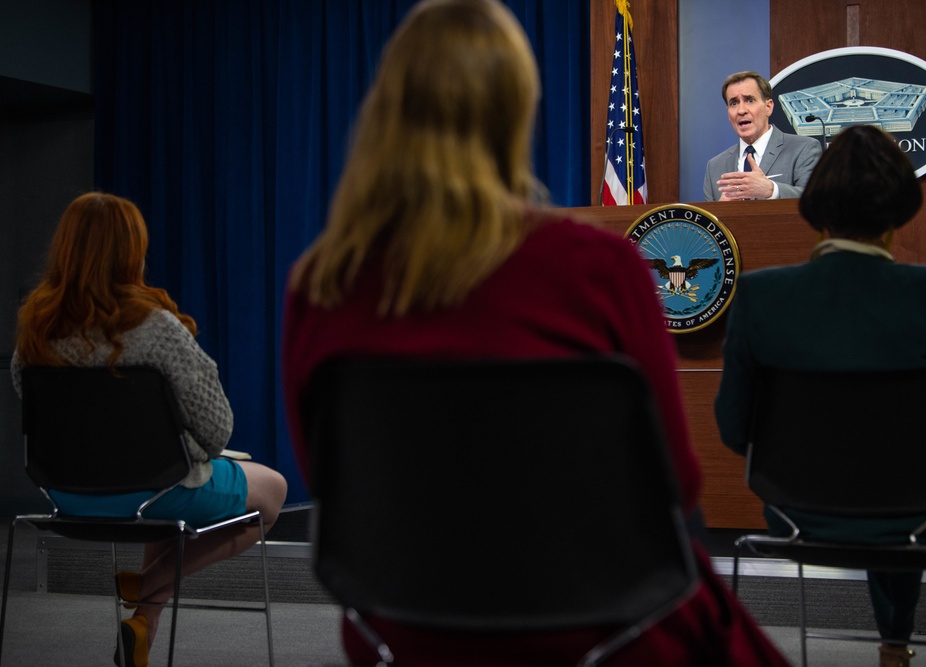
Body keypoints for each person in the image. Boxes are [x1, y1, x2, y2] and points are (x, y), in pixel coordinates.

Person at [281, 1, 789, 665]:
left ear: (386, 111)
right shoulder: (602, 269)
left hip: (408, 624)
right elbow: (676, 479)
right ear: (516, 111)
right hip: (607, 624)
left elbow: (328, 474)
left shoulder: (322, 283)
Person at [714, 125, 926, 667]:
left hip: (799, 514)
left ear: (816, 208)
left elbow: (734, 429)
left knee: (896, 481)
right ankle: (897, 640)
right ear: (900, 213)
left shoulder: (760, 296)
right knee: (914, 485)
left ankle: (896, 638)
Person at [11, 191, 288, 667]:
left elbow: (39, 412)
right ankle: (150, 584)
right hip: (155, 491)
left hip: (67, 495)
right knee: (272, 493)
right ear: (131, 252)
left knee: (164, 475)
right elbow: (218, 429)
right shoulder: (155, 327)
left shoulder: (36, 329)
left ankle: (143, 627)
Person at [703, 70, 821, 201]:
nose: (741, 110)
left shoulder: (803, 149)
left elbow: (816, 201)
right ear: (728, 113)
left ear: (768, 107)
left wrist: (771, 190)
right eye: (734, 103)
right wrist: (721, 210)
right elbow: (708, 219)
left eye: (750, 100)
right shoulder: (714, 167)